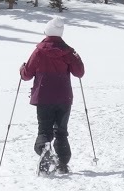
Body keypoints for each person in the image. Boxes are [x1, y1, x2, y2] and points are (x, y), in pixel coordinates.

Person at [19, 17, 85, 173]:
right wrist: (78, 59)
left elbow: (27, 74)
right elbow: (79, 72)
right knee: (61, 132)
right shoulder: (68, 51)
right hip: (64, 98)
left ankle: (44, 149)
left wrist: (22, 69)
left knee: (44, 131)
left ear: (47, 31)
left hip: (44, 97)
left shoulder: (39, 51)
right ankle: (62, 163)